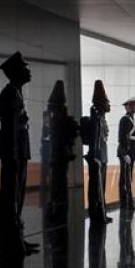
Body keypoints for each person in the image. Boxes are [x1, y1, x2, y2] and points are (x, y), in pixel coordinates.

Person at [0, 51, 38, 256]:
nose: (28, 71)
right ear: (15, 72)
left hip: (18, 152)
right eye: (24, 68)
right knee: (11, 198)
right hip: (14, 153)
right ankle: (12, 241)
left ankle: (17, 238)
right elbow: (11, 127)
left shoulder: (16, 93)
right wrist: (12, 153)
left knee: (17, 198)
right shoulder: (10, 94)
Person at [46, 80, 78, 221]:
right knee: (60, 180)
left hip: (57, 154)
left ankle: (57, 204)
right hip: (62, 154)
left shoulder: (55, 118)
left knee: (57, 180)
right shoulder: (62, 118)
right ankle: (59, 204)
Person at [86, 80, 112, 224]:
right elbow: (96, 135)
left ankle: (101, 212)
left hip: (101, 153)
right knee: (96, 186)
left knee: (101, 185)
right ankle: (97, 213)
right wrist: (95, 155)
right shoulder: (95, 113)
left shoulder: (101, 115)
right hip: (97, 153)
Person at [117, 97, 135, 211]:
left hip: (130, 153)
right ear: (130, 107)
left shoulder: (130, 119)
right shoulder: (125, 119)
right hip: (126, 153)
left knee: (128, 178)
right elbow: (121, 138)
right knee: (125, 179)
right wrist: (125, 154)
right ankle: (127, 204)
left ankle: (128, 203)